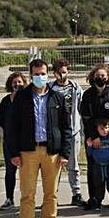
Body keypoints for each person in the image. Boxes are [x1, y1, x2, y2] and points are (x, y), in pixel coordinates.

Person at [7, 59, 72, 218]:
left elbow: (66, 127)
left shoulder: (57, 97)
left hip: (52, 152)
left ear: (48, 74)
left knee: (51, 193)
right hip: (28, 151)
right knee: (28, 193)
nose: (39, 77)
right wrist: (14, 153)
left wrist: (64, 152)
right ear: (30, 75)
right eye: (36, 74)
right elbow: (12, 128)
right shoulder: (21, 97)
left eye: (42, 73)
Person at [79, 64, 109, 211]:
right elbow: (86, 117)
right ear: (92, 77)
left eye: (103, 76)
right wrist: (94, 136)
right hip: (93, 139)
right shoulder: (88, 95)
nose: (100, 78)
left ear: (108, 77)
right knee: (93, 170)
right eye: (97, 76)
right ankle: (95, 198)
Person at [48, 59, 84, 206]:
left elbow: (81, 107)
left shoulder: (75, 88)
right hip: (55, 132)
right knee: (53, 165)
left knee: (73, 165)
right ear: (54, 73)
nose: (62, 75)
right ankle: (51, 195)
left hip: (73, 131)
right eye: (59, 72)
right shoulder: (50, 88)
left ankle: (76, 193)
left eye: (64, 72)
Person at [0, 72, 26, 209]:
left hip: (25, 142)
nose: (17, 84)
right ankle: (9, 198)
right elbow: (0, 119)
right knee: (10, 171)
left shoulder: (28, 100)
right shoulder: (5, 101)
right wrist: (10, 131)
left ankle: (27, 199)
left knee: (27, 171)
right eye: (15, 82)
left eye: (20, 82)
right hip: (9, 142)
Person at [85, 118, 109, 210]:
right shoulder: (95, 140)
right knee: (98, 185)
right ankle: (98, 202)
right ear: (97, 129)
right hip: (98, 166)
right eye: (102, 128)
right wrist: (89, 145)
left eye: (106, 128)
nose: (105, 130)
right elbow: (90, 153)